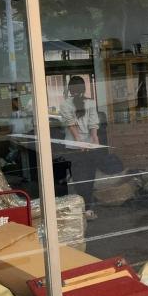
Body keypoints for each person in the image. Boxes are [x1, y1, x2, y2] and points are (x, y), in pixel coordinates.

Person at [59, 75, 101, 216]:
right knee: (89, 177)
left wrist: (79, 140)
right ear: (84, 88)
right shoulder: (91, 102)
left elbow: (70, 125)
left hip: (73, 147)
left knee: (78, 178)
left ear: (70, 90)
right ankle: (88, 208)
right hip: (88, 146)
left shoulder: (65, 104)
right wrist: (94, 138)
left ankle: (83, 208)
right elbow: (93, 124)